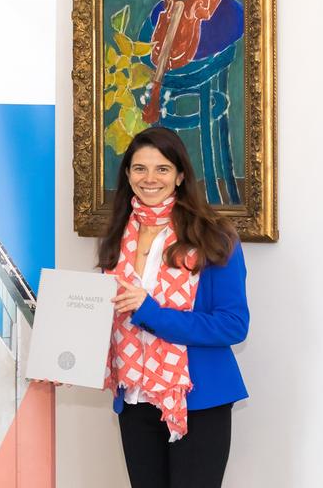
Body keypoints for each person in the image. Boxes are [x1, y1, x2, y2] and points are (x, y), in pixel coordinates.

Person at [99, 126, 249, 488]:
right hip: (135, 399)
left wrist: (151, 313)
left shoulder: (214, 235)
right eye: (139, 169)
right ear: (128, 175)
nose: (150, 179)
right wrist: (66, 358)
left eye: (162, 169)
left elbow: (233, 325)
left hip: (198, 401)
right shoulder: (118, 234)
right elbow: (106, 315)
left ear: (180, 175)